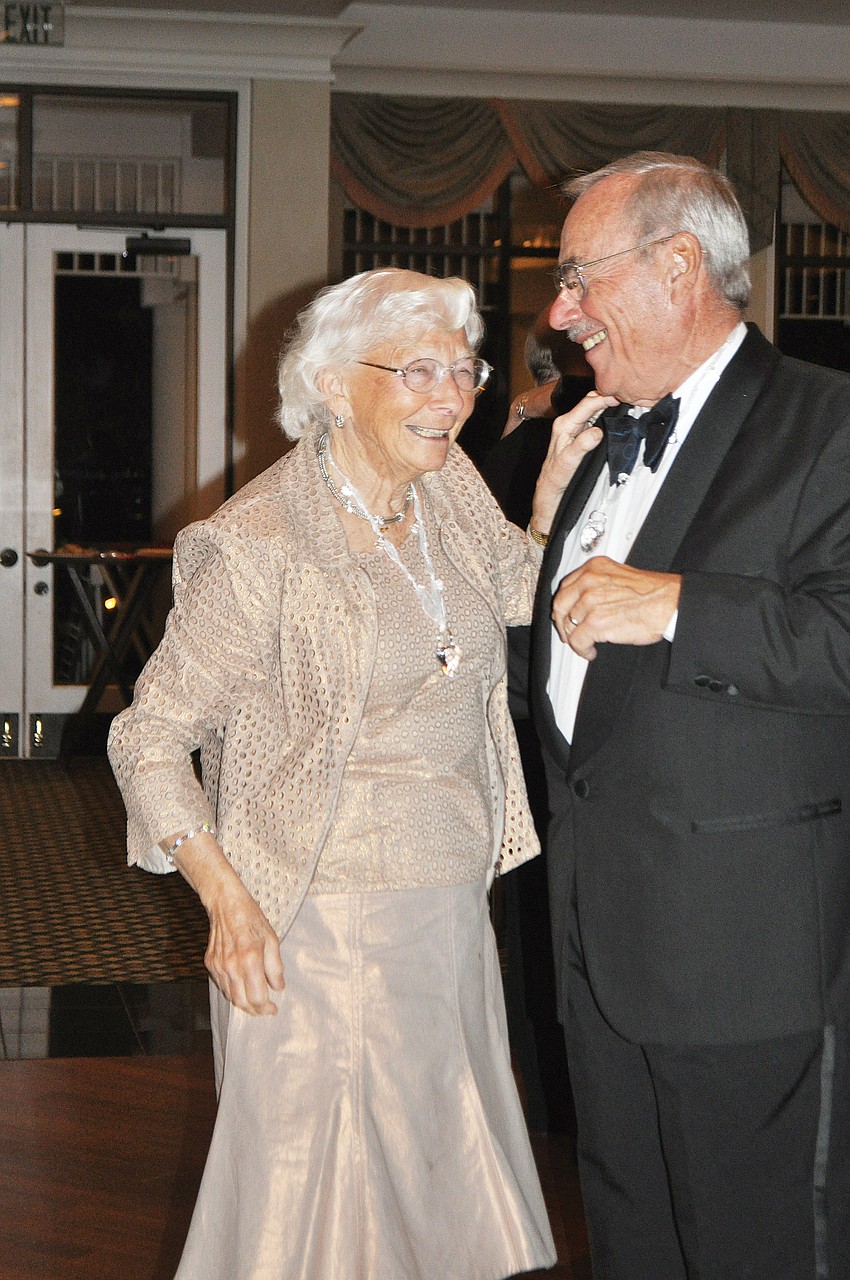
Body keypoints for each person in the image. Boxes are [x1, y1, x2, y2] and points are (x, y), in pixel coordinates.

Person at [106, 266, 610, 1280]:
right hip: (317, 924)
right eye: (418, 369)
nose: (453, 396)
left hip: (446, 906)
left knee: (432, 1188)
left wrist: (550, 503)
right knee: (313, 1221)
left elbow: (515, 591)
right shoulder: (257, 545)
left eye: (463, 370)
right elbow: (148, 734)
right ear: (334, 385)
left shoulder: (446, 487)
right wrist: (229, 903)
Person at [522, 150, 850, 1279]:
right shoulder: (595, 435)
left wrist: (678, 606)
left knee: (749, 1247)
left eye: (577, 278)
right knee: (635, 1240)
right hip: (599, 944)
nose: (559, 313)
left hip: (741, 954)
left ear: (677, 266)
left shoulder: (826, 421)